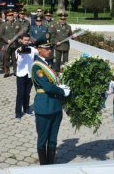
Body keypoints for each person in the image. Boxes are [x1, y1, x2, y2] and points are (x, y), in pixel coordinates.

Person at [31, 33, 70, 165]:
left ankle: (51, 166)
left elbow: (55, 81)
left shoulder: (49, 64)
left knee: (53, 139)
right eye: (46, 48)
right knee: (42, 140)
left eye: (50, 48)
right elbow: (47, 87)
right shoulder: (37, 66)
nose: (49, 50)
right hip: (44, 106)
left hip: (55, 106)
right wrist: (62, 91)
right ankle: (44, 166)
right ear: (39, 49)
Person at [14, 33, 38, 119]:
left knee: (27, 93)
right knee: (20, 94)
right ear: (21, 40)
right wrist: (21, 54)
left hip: (29, 74)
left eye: (28, 40)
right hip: (21, 75)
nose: (27, 42)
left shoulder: (32, 49)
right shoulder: (17, 50)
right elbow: (19, 63)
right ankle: (18, 112)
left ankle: (26, 109)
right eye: (25, 40)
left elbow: (38, 53)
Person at [1, 11, 22, 77]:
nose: (11, 17)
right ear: (7, 17)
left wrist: (19, 39)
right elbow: (2, 35)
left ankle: (15, 71)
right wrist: (7, 40)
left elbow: (20, 33)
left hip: (15, 44)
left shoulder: (17, 24)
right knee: (6, 58)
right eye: (9, 16)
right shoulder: (4, 24)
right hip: (7, 45)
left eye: (12, 16)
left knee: (15, 58)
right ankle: (7, 72)